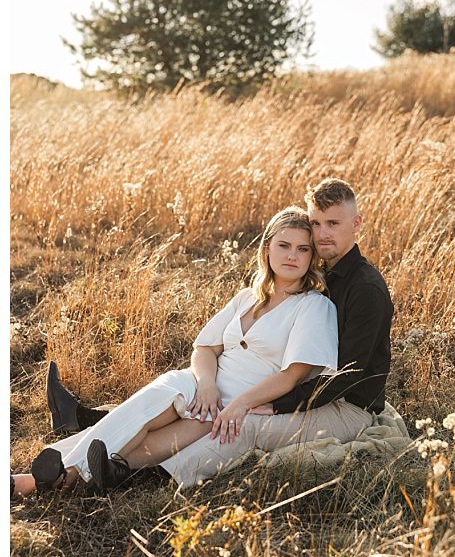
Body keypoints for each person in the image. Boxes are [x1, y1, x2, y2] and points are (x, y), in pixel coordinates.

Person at [42, 178, 393, 489]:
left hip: (343, 404)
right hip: (286, 388)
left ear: (356, 224)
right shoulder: (317, 273)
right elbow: (208, 347)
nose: (322, 234)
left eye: (333, 224)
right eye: (317, 224)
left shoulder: (364, 289)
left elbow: (348, 377)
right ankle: (89, 435)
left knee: (243, 422)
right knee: (185, 394)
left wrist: (272, 405)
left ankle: (139, 473)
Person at [12, 206, 339, 497]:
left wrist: (236, 404)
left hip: (237, 401)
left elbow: (292, 376)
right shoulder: (247, 297)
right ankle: (64, 475)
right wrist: (207, 386)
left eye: (303, 249)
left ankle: (47, 480)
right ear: (267, 248)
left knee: (160, 437)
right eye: (284, 245)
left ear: (312, 257)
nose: (292, 256)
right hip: (199, 384)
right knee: (143, 411)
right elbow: (204, 348)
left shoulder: (313, 306)